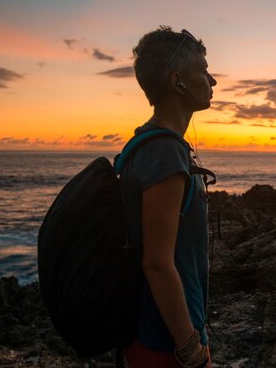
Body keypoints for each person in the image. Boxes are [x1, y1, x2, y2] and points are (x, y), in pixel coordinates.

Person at [120, 26, 217, 368]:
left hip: (155, 336)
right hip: (165, 344)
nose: (212, 80)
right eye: (203, 70)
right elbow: (157, 263)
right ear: (179, 82)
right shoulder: (164, 152)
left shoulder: (144, 142)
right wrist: (191, 350)